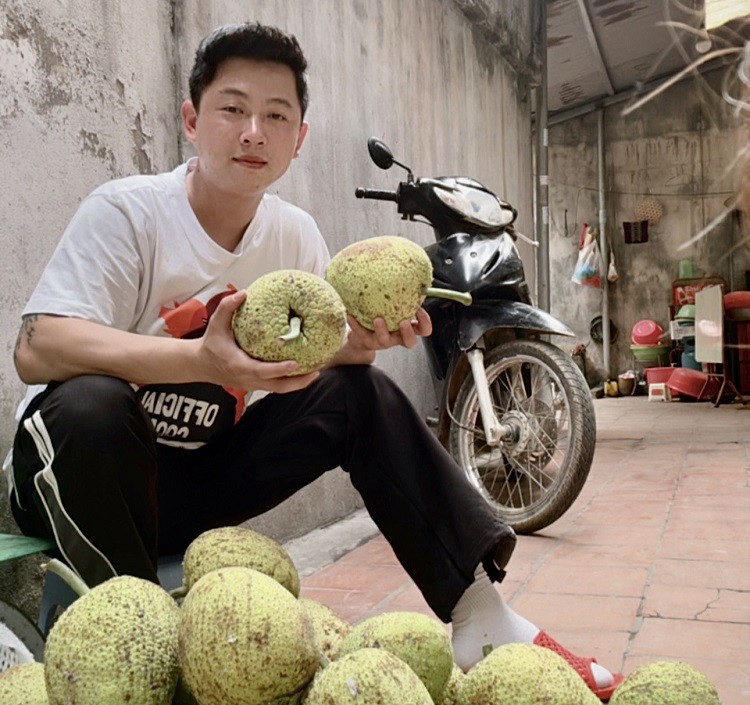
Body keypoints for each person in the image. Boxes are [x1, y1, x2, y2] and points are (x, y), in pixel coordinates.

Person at [6, 21, 621, 699]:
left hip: (187, 486)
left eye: (276, 116)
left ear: (299, 140)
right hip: (75, 475)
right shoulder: (127, 214)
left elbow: (316, 360)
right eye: (233, 109)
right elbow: (37, 347)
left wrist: (363, 342)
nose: (253, 132)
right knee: (93, 400)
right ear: (192, 120)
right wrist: (207, 363)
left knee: (361, 391)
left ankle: (482, 613)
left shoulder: (293, 235)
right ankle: (141, 645)